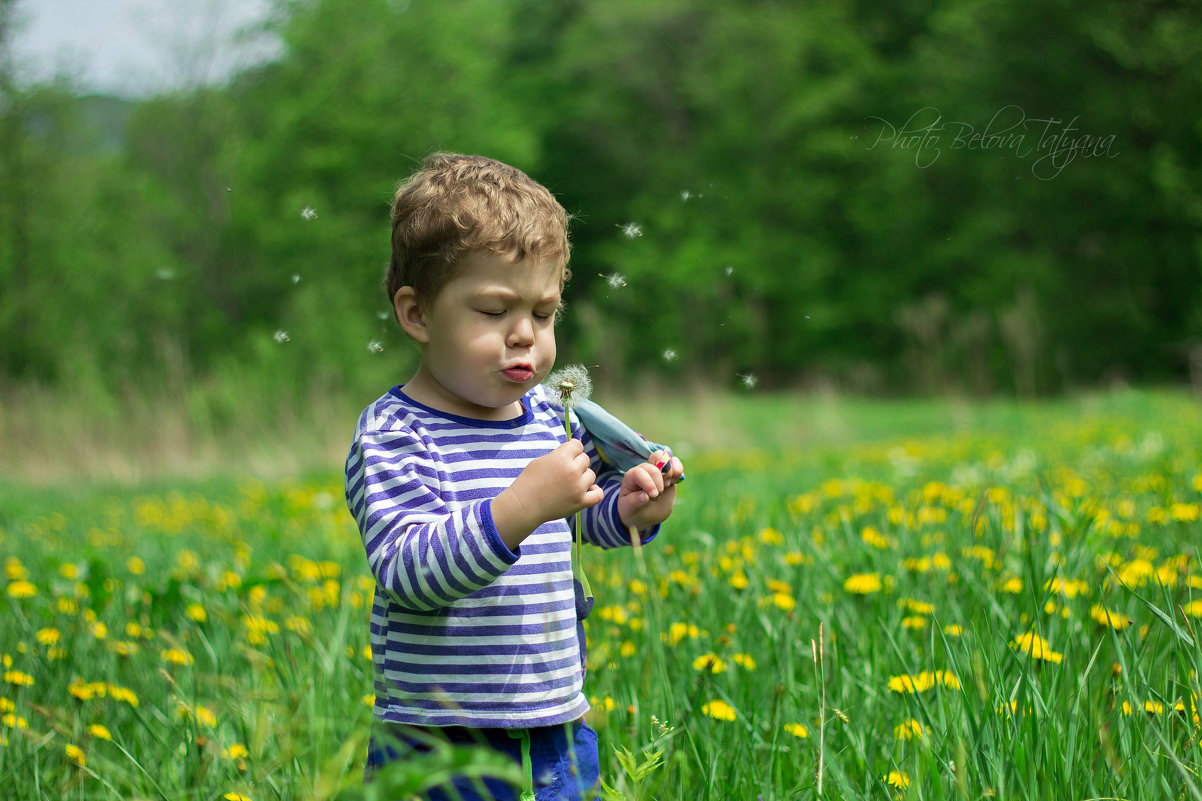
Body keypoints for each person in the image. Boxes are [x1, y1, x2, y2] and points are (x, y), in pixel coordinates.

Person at [344, 152, 684, 801]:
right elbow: (408, 570)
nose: (525, 334)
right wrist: (522, 505)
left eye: (544, 311)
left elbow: (581, 514)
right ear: (417, 314)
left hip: (554, 724)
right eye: (494, 311)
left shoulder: (544, 419)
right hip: (442, 737)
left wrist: (631, 509)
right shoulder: (395, 434)